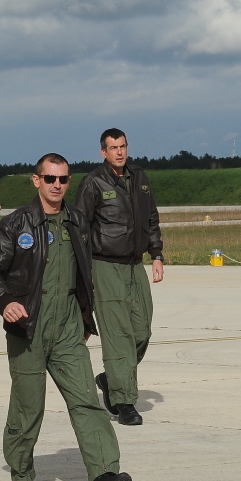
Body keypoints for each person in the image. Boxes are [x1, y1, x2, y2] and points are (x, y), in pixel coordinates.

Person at [0, 153, 131, 481]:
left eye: (63, 179)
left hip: (67, 327)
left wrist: (85, 317)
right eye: (50, 179)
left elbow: (84, 273)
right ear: (36, 180)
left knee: (86, 402)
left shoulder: (76, 221)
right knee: (28, 407)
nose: (57, 185)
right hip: (27, 328)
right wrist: (5, 302)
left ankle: (103, 476)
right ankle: (21, 473)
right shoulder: (16, 225)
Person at [74, 128, 164, 426]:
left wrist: (157, 254)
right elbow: (80, 228)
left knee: (142, 330)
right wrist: (83, 272)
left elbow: (151, 218)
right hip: (105, 265)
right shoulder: (93, 183)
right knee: (119, 337)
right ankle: (124, 403)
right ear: (103, 152)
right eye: (113, 148)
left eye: (123, 146)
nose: (120, 152)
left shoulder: (139, 178)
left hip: (134, 264)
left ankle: (111, 379)